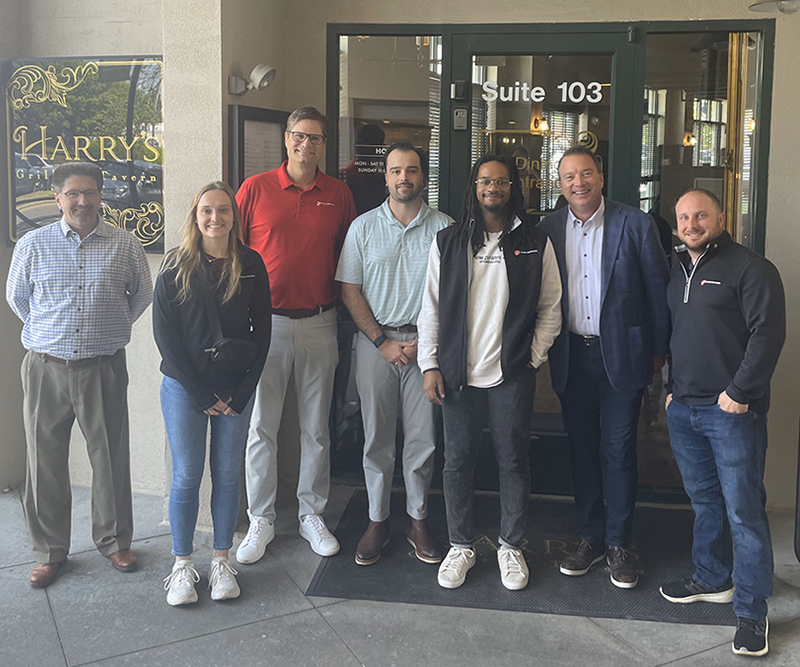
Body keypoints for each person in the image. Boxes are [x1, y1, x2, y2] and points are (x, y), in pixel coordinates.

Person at [418, 154, 562, 590]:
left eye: (501, 182)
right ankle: (460, 545)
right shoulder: (448, 241)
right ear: (474, 188)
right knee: (457, 462)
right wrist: (430, 364)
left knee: (513, 461)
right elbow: (431, 309)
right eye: (484, 181)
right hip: (457, 376)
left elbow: (550, 309)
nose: (492, 188)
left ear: (513, 188)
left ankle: (510, 546)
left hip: (510, 376)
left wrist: (530, 359)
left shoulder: (536, 242)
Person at [6, 162, 152, 588]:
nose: (82, 201)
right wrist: (48, 331)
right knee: (43, 461)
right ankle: (49, 551)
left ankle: (115, 541)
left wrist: (108, 326)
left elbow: (141, 294)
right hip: (45, 368)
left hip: (102, 367)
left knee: (110, 458)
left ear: (101, 196)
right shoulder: (33, 244)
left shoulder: (124, 245)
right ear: (57, 199)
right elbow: (18, 299)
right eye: (72, 194)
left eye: (90, 193)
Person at [660, 189, 785, 657]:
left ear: (721, 216)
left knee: (744, 513)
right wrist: (672, 388)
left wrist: (739, 394)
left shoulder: (751, 268)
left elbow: (768, 335)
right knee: (705, 502)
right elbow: (677, 333)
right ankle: (712, 578)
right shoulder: (677, 270)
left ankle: (753, 613)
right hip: (685, 409)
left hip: (732, 412)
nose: (691, 224)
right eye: (683, 217)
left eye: (700, 216)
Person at [539, 146, 670, 589]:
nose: (579, 182)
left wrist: (659, 350)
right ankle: (591, 537)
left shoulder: (635, 223)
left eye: (587, 173)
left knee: (617, 451)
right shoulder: (548, 229)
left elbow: (657, 290)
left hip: (623, 356)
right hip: (572, 355)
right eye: (569, 176)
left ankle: (619, 543)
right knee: (581, 450)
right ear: (560, 184)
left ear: (600, 177)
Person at [236, 107, 356, 562]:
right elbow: (237, 257)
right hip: (265, 323)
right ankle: (261, 518)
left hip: (321, 321)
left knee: (315, 427)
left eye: (317, 138)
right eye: (301, 136)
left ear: (325, 144)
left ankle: (311, 514)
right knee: (262, 427)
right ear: (286, 139)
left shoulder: (339, 194)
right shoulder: (256, 189)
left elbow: (349, 258)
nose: (308, 145)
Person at [153, 182, 271, 606]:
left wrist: (240, 395)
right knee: (186, 475)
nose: (214, 218)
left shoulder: (252, 263)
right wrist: (203, 394)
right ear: (195, 215)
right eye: (206, 210)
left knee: (227, 474)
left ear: (234, 217)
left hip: (236, 389)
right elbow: (165, 341)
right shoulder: (174, 267)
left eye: (223, 210)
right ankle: (182, 564)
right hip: (186, 388)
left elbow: (263, 336)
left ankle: (221, 560)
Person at [336, 142, 453, 566]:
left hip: (427, 348)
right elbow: (349, 288)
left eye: (413, 170)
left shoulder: (446, 228)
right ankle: (377, 518)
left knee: (423, 440)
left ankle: (417, 519)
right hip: (376, 345)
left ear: (423, 176)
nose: (404, 177)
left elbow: (455, 295)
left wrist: (427, 344)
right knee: (377, 438)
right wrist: (382, 342)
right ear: (385, 177)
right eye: (396, 171)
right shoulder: (363, 228)